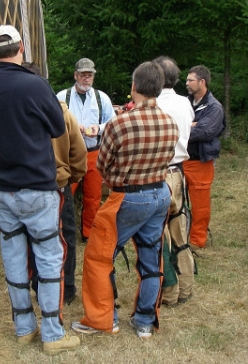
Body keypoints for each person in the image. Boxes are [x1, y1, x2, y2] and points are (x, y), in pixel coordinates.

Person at [0, 26, 80, 355]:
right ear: (21, 48)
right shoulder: (35, 84)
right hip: (35, 185)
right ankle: (52, 333)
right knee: (49, 257)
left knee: (14, 255)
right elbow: (57, 126)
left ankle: (24, 328)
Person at [71, 61, 179, 339]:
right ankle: (144, 321)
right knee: (151, 258)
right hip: (160, 194)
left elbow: (102, 166)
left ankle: (103, 319)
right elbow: (169, 158)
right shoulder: (170, 122)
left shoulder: (120, 123)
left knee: (99, 257)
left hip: (127, 197)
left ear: (134, 87)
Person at [23, 62, 87, 305]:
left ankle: (40, 285)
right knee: (64, 237)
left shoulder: (20, 112)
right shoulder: (62, 112)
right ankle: (66, 288)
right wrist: (72, 178)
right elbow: (79, 153)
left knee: (33, 236)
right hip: (59, 185)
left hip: (30, 185)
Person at [56, 58, 114, 241]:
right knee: (65, 193)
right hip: (69, 153)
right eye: (83, 75)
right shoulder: (61, 97)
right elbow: (53, 122)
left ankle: (89, 233)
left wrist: (99, 128)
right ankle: (62, 231)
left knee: (93, 195)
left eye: (89, 75)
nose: (86, 79)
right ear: (75, 75)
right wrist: (73, 128)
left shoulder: (101, 97)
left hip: (93, 152)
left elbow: (112, 122)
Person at [153, 56, 196, 307]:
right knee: (180, 232)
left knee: (162, 235)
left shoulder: (154, 104)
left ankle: (168, 293)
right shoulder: (184, 103)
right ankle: (186, 287)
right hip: (178, 173)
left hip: (159, 174)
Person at [183, 65, 225, 249]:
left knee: (200, 204)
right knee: (176, 200)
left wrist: (188, 127)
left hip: (200, 162)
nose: (187, 83)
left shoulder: (214, 107)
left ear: (202, 82)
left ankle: (197, 240)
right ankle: (178, 236)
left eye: (190, 80)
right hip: (181, 159)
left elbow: (204, 131)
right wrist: (189, 125)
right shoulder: (185, 102)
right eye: (186, 80)